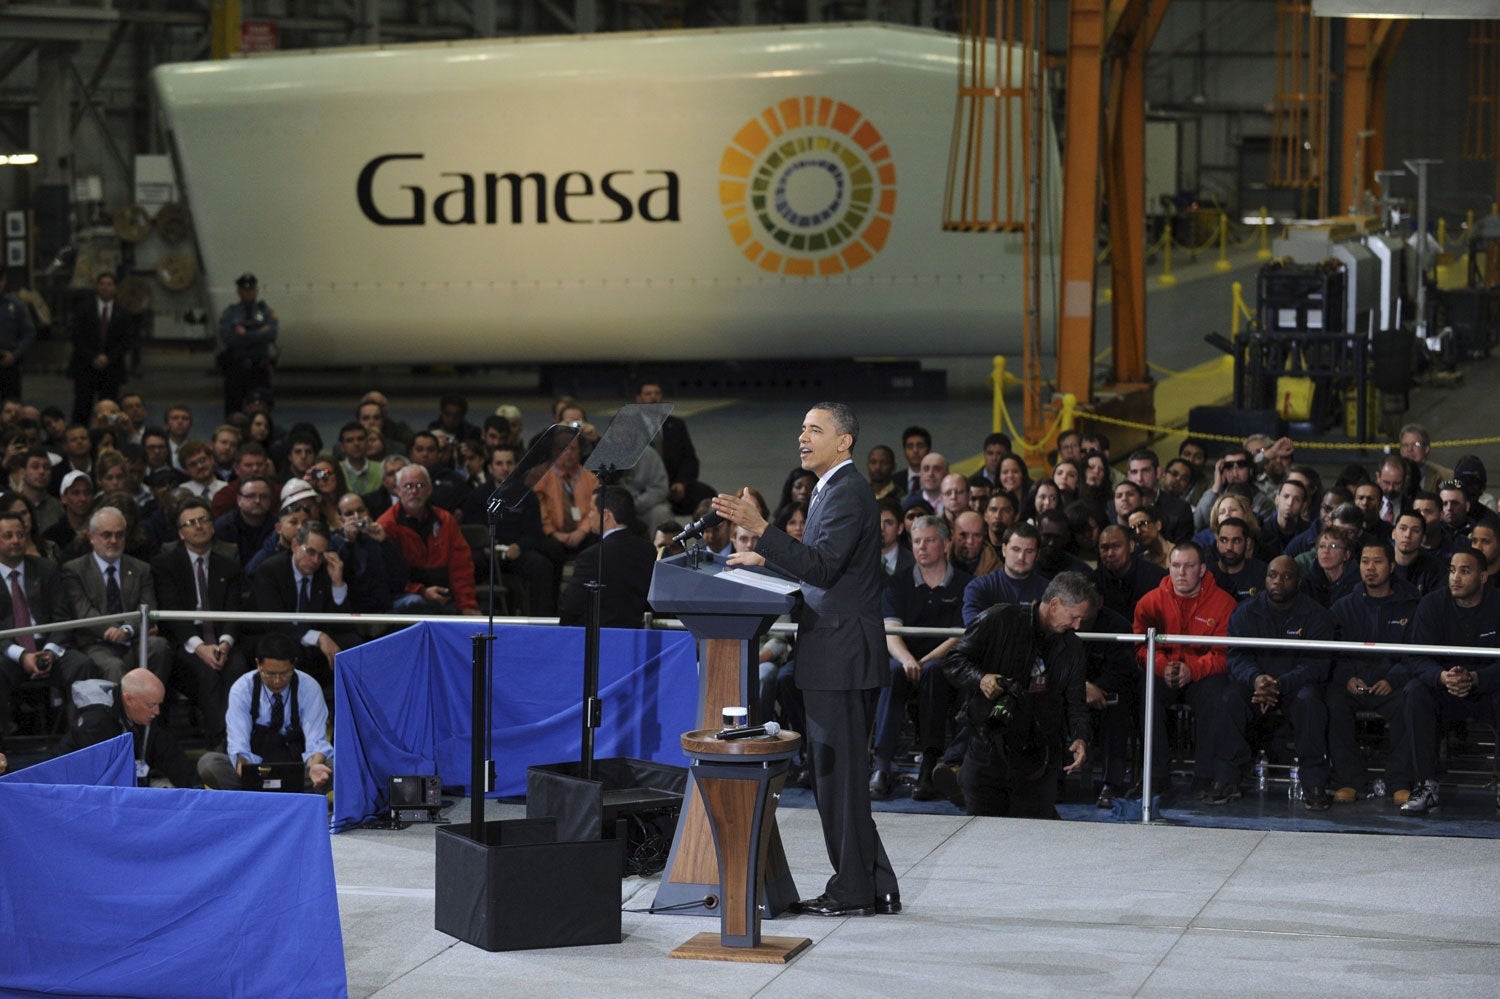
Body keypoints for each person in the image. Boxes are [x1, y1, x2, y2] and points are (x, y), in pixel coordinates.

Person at [711, 401, 899, 918]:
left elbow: (822, 567)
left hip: (841, 656)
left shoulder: (846, 491)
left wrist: (761, 528)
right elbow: (822, 567)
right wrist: (764, 556)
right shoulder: (830, 489)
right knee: (839, 779)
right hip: (834, 653)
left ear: (844, 441)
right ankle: (876, 884)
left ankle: (853, 890)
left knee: (839, 781)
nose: (803, 437)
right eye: (802, 428)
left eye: (815, 429)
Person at [943, 571, 1096, 818]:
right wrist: (981, 678)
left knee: (1034, 835)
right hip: (988, 748)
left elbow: (1075, 700)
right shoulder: (999, 619)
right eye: (1074, 617)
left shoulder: (1072, 646)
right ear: (1054, 604)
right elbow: (954, 661)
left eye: (1081, 619)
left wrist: (1080, 737)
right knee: (983, 832)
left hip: (1040, 757)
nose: (1077, 626)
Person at [1210, 556, 1335, 809]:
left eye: (1286, 577)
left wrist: (1280, 684)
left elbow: (1317, 665)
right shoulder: (1245, 612)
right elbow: (1236, 657)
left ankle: (1314, 783)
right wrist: (1257, 679)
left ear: (1298, 581)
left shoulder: (1316, 615)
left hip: (1295, 686)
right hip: (1255, 686)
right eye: (1272, 575)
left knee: (1310, 702)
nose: (1278, 581)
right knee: (1229, 698)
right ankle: (1226, 780)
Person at [870, 515, 969, 801]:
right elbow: (890, 632)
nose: (921, 547)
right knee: (891, 672)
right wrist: (908, 660)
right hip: (904, 658)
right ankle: (882, 766)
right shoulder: (897, 583)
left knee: (934, 673)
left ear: (946, 544)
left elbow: (959, 635)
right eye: (916, 542)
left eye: (929, 541)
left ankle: (929, 764)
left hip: (944, 662)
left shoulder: (965, 584)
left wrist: (924, 662)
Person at [1399, 543, 1500, 814]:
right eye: (1452, 570)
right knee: (1414, 692)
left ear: (1483, 576)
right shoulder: (1432, 604)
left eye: (1465, 571)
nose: (1455, 577)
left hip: (1489, 688)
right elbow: (1416, 657)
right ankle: (1426, 786)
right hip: (1445, 688)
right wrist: (1442, 677)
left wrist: (1477, 678)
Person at [1132, 541, 1237, 795]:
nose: (1181, 572)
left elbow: (1226, 655)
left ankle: (1205, 776)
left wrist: (1192, 669)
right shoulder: (1149, 602)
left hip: (1202, 675)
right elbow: (1140, 648)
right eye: (1176, 565)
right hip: (1164, 671)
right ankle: (1156, 776)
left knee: (1218, 692)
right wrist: (1162, 666)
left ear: (1202, 569)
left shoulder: (1224, 604)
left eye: (1189, 566)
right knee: (1145, 688)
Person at [150, 497, 247, 749]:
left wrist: (224, 644)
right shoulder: (165, 564)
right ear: (181, 533)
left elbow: (234, 610)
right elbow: (171, 613)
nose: (199, 526)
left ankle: (239, 738)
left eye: (203, 520)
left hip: (222, 639)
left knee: (237, 670)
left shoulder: (228, 565)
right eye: (190, 523)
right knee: (207, 675)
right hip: (185, 642)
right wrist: (200, 648)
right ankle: (223, 741)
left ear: (213, 526)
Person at [1327, 540, 1418, 803]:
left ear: (1391, 566)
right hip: (1354, 683)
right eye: (1365, 562)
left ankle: (1399, 782)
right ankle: (1350, 781)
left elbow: (1417, 653)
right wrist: (1347, 677)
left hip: (1393, 683)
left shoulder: (1412, 604)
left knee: (1412, 701)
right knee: (1331, 702)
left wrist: (1393, 678)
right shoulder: (1343, 606)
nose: (1370, 568)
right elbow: (1331, 653)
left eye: (1377, 562)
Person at [0, 510, 98, 750]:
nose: (16, 540)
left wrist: (51, 652)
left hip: (48, 646)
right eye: (7, 535)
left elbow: (62, 617)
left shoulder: (46, 569)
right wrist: (22, 656)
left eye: (20, 534)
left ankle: (80, 744)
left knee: (82, 665)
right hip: (7, 651)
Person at [196, 633, 334, 792]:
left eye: (284, 674)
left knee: (336, 766)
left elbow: (316, 741)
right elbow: (238, 746)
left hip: (297, 770)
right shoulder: (242, 689)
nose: (277, 681)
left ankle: (264, 797)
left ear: (293, 664)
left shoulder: (309, 687)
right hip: (256, 771)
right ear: (258, 664)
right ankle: (266, 795)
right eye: (270, 674)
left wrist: (315, 767)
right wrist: (252, 778)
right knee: (209, 764)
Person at [60, 507, 171, 685]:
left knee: (158, 646)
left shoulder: (141, 569)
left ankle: (152, 701)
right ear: (92, 537)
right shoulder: (75, 570)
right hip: (96, 643)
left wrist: (126, 630)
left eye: (119, 535)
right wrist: (112, 630)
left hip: (134, 639)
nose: (114, 540)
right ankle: (120, 705)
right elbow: (83, 611)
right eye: (107, 535)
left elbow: (148, 607)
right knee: (114, 666)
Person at [248, 520, 359, 693]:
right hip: (279, 637)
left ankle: (340, 703)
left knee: (353, 643)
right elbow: (274, 622)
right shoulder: (270, 570)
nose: (315, 560)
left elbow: (342, 625)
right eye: (311, 552)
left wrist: (337, 583)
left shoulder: (325, 570)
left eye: (321, 555)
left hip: (313, 641)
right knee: (291, 649)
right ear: (295, 545)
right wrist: (318, 637)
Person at [54, 668, 198, 787]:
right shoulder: (96, 723)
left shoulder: (139, 713)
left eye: (158, 704)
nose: (157, 711)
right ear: (129, 699)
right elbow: (106, 779)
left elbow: (170, 754)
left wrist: (197, 789)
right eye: (152, 705)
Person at [378, 463, 480, 615]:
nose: (414, 491)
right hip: (404, 595)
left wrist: (467, 605)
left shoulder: (445, 520)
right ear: (398, 490)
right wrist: (422, 591)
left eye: (420, 485)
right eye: (408, 486)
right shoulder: (386, 525)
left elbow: (461, 566)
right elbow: (388, 575)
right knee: (417, 604)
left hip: (443, 593)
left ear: (429, 490)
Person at [559, 486, 656, 628]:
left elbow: (571, 605)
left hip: (599, 637)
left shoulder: (592, 556)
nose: (589, 515)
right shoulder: (648, 550)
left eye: (592, 510)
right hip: (636, 635)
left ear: (606, 515)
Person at [68, 273, 138, 426]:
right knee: (82, 406)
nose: (105, 288)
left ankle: (107, 436)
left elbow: (127, 340)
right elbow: (76, 336)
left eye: (109, 284)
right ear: (97, 287)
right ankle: (78, 433)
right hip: (85, 366)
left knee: (109, 408)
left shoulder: (123, 312)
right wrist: (92, 357)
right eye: (102, 284)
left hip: (111, 368)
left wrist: (108, 357)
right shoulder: (83, 309)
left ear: (115, 288)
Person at [962, 522, 1047, 624]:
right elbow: (973, 626)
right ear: (1004, 549)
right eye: (1016, 549)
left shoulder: (1048, 592)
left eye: (1029, 551)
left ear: (1037, 555)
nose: (1021, 557)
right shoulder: (980, 587)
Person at [0, 270, 36, 401]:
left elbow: (29, 333)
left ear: (3, 282)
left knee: (11, 403)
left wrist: (15, 354)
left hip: (9, 362)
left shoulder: (15, 305)